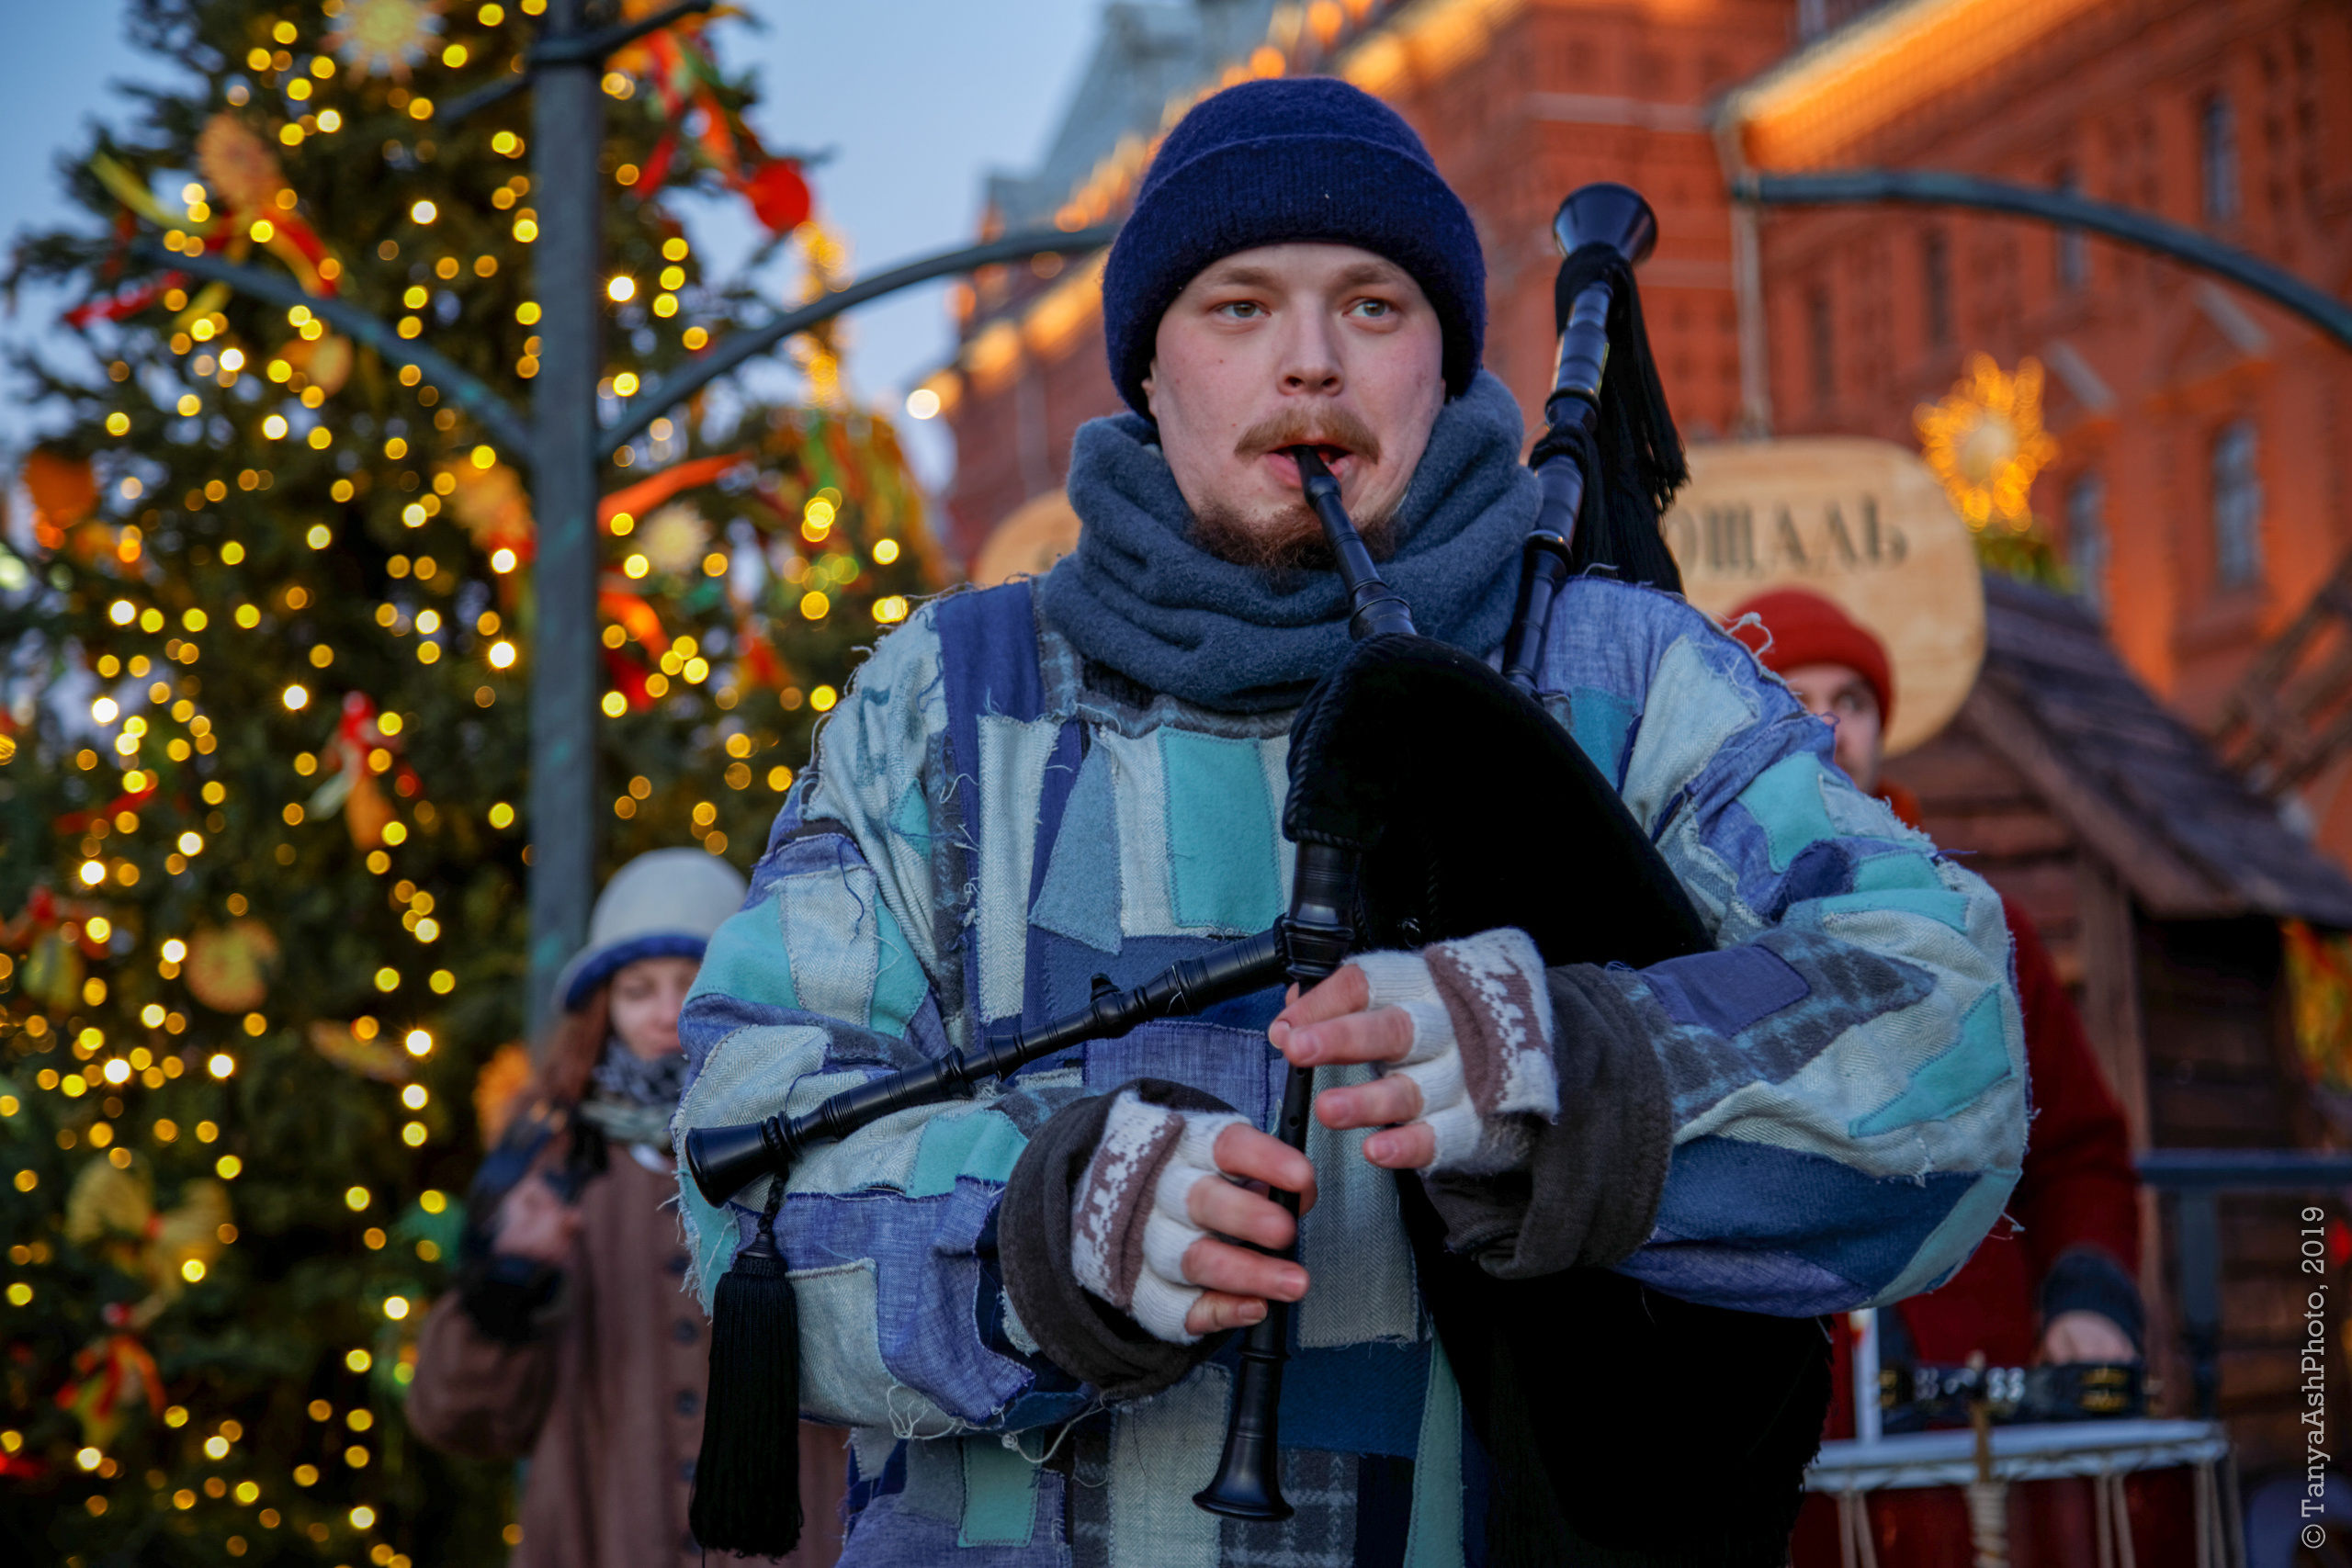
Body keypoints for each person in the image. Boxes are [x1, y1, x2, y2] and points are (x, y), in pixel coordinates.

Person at [676, 78, 2025, 1568]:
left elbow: (1952, 1044)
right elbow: (740, 1165)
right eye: (1240, 308)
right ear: (1151, 369)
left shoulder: (1619, 678)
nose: (1310, 364)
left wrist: (1576, 1066)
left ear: (1443, 357)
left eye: (1373, 308)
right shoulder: (946, 699)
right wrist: (1042, 1239)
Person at [1726, 589, 2144, 1564]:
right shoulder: (1678, 932)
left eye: (1853, 700)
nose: (1828, 727)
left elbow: (2078, 1150)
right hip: (1774, 1437)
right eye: (1792, 697)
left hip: (1966, 1419)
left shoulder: (1982, 927)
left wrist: (2088, 1294)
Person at [406, 849, 847, 1568]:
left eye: (693, 982)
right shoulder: (546, 1168)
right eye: (639, 989)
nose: (667, 1012)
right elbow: (457, 1418)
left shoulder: (816, 1145)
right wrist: (507, 1284)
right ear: (604, 1006)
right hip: (598, 1535)